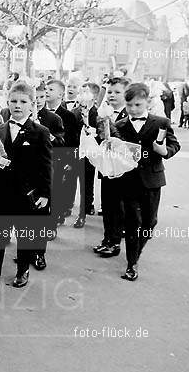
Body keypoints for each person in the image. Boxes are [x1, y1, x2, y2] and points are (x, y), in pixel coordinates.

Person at [0, 82, 52, 292]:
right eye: (13, 101)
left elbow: (46, 165)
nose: (18, 105)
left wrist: (45, 193)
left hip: (28, 193)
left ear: (32, 105)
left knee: (25, 234)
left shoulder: (40, 132)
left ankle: (23, 270)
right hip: (3, 192)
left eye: (23, 102)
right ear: (7, 103)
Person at [111, 82, 179, 281]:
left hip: (152, 180)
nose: (133, 109)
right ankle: (132, 263)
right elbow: (114, 151)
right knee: (133, 222)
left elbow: (173, 145)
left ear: (147, 103)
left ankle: (136, 253)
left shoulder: (161, 123)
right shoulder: (120, 125)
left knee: (150, 222)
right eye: (130, 105)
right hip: (129, 180)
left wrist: (164, 151)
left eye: (138, 105)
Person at [93, 77, 129, 258]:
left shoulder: (129, 116)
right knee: (107, 205)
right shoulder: (103, 113)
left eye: (117, 92)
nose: (112, 95)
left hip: (122, 169)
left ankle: (115, 242)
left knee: (118, 207)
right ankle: (106, 239)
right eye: (110, 92)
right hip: (107, 167)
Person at [30, 82, 65, 270]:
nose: (37, 101)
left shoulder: (53, 118)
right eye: (34, 98)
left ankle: (39, 252)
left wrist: (48, 135)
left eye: (41, 97)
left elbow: (61, 141)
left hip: (46, 170)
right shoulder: (19, 117)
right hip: (25, 173)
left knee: (42, 214)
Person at [45, 79, 81, 225]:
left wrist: (70, 162)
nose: (47, 91)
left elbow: (72, 141)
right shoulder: (39, 113)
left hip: (59, 158)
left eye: (51, 89)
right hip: (43, 158)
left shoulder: (68, 116)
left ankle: (55, 218)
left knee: (57, 190)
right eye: (46, 89)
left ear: (61, 94)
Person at [70, 82, 100, 228]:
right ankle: (66, 206)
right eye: (81, 92)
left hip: (89, 154)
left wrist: (90, 132)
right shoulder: (74, 112)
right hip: (74, 152)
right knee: (69, 182)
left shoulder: (98, 113)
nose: (83, 95)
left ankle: (83, 212)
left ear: (94, 97)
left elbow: (100, 135)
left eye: (86, 92)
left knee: (86, 184)